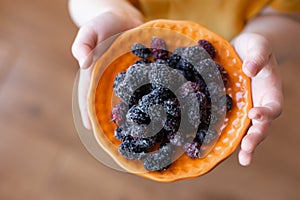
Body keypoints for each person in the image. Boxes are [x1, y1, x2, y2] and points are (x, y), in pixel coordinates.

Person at [68, 0, 300, 166]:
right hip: (135, 26)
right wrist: (109, 9)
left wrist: (263, 39)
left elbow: (290, 18)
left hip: (231, 50)